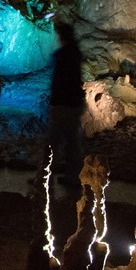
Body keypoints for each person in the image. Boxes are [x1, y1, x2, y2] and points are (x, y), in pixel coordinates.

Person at [49, 22, 85, 186]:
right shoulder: (75, 54)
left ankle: (45, 175)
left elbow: (60, 82)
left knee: (53, 142)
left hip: (63, 104)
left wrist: (54, 100)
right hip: (74, 103)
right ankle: (73, 176)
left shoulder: (64, 55)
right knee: (72, 143)